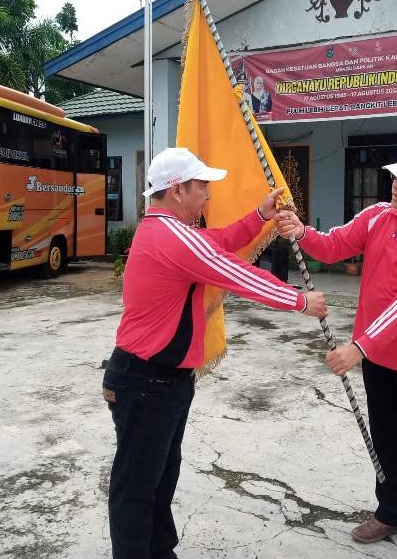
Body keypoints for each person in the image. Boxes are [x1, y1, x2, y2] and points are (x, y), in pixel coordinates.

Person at [103, 147, 328, 559]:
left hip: (159, 380)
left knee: (158, 479)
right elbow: (234, 272)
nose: (207, 195)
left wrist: (258, 216)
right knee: (137, 487)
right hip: (146, 381)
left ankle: (159, 552)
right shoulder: (172, 237)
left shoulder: (168, 231)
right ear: (177, 190)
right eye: (202, 187)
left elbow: (219, 243)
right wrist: (298, 301)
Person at [276, 143, 397, 559]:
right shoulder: (377, 216)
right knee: (387, 437)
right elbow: (334, 245)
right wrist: (301, 232)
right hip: (378, 355)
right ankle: (391, 512)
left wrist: (359, 346)